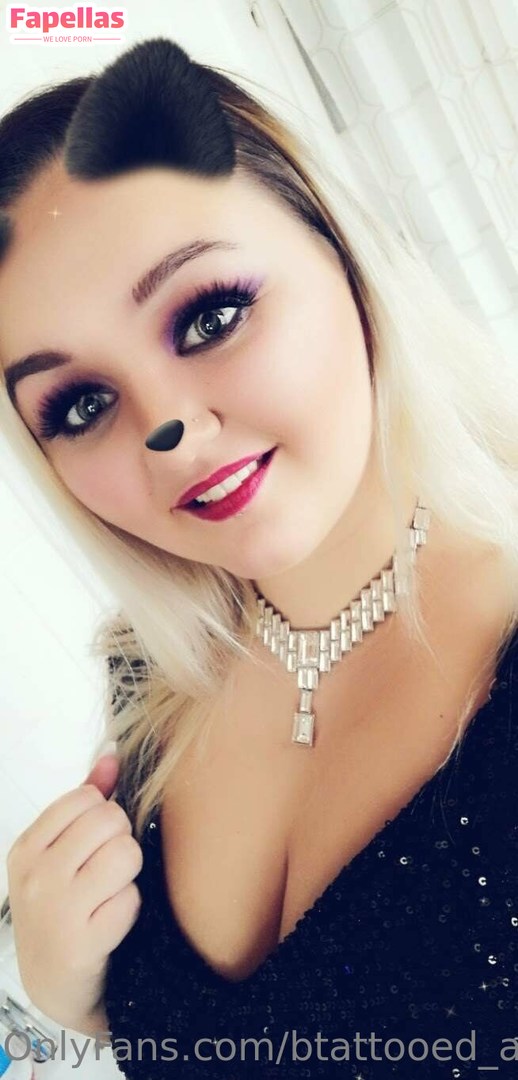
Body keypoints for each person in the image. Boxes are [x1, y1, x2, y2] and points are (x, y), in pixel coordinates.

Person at [1, 35, 517, 1080]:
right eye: (81, 404)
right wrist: (66, 996)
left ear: (343, 253)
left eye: (211, 315)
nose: (168, 434)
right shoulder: (149, 680)